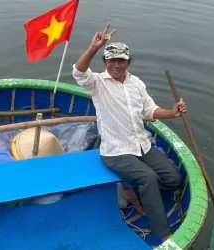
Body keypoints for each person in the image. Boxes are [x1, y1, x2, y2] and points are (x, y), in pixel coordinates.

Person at [72, 22, 187, 242]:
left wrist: (172, 113)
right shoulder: (97, 83)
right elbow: (79, 71)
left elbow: (151, 110)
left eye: (121, 60)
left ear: (128, 62)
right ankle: (163, 233)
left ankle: (139, 197)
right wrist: (94, 47)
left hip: (141, 146)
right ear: (105, 61)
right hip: (115, 151)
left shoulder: (137, 84)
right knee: (149, 178)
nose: (116, 64)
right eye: (112, 60)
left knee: (174, 179)